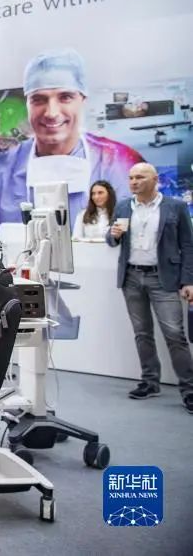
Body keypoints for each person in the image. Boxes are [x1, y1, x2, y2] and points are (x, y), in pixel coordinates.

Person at [0, 48, 143, 227]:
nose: (51, 113)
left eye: (65, 97)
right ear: (27, 104)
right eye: (38, 99)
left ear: (83, 100)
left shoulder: (118, 164)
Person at [107, 163, 193, 413]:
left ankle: (189, 389)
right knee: (142, 333)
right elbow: (111, 240)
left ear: (155, 179)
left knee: (174, 335)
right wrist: (113, 235)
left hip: (163, 278)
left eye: (140, 177)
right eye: (131, 177)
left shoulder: (175, 206)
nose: (134, 181)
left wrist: (188, 280)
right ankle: (150, 381)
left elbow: (188, 246)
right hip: (131, 276)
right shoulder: (124, 206)